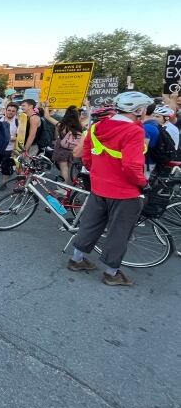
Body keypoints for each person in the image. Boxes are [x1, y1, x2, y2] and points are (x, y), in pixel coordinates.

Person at [67, 91, 152, 286]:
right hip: (125, 192)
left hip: (99, 187)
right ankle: (112, 273)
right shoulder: (134, 131)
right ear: (138, 110)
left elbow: (87, 155)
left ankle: (77, 260)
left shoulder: (97, 126)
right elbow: (131, 166)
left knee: (89, 225)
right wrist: (143, 183)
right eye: (144, 109)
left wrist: (97, 172)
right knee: (119, 233)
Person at [46, 106, 83, 184]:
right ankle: (68, 186)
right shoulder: (79, 126)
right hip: (73, 150)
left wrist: (46, 106)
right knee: (69, 169)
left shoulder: (61, 126)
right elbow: (88, 118)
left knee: (63, 169)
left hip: (62, 150)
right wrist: (87, 105)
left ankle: (64, 188)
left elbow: (47, 116)